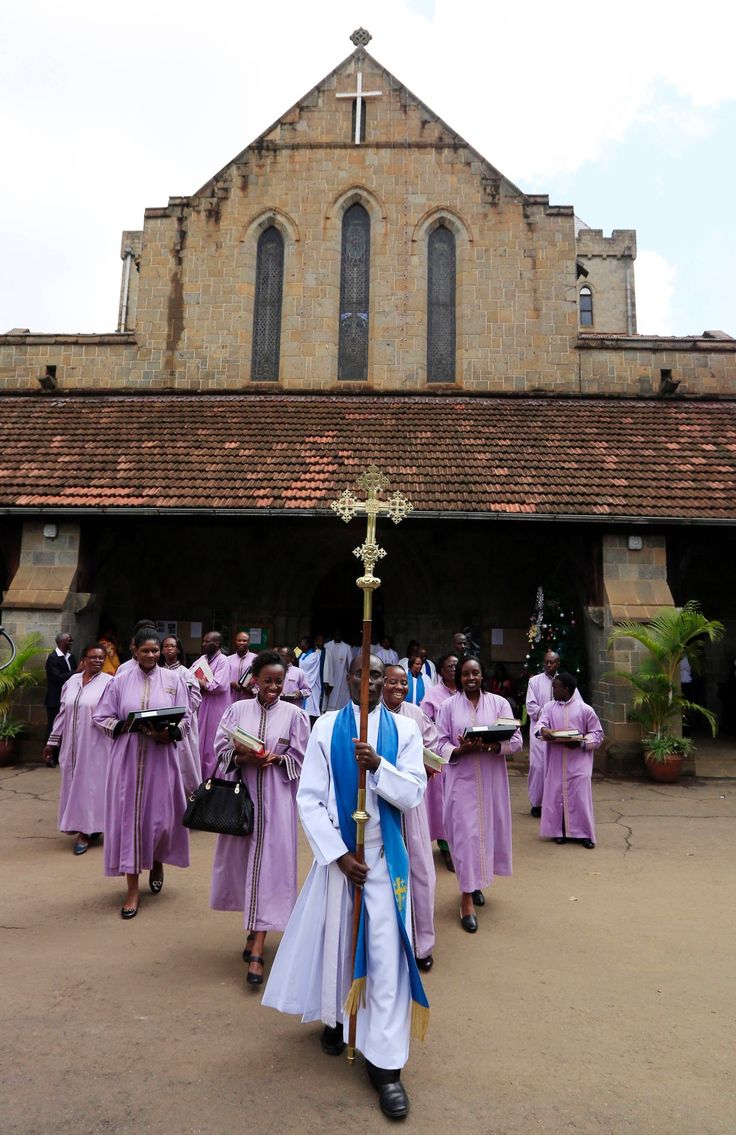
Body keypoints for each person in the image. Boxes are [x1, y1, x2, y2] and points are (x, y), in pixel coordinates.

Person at [263, 654, 428, 1120]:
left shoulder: (406, 731)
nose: (369, 681)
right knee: (335, 944)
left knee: (385, 956)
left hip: (383, 857)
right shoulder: (325, 728)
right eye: (361, 673)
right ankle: (338, 1019)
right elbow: (310, 797)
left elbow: (413, 793)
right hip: (341, 858)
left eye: (377, 674)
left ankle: (387, 1066)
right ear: (348, 678)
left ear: (385, 681)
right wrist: (337, 854)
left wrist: (378, 766)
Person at [210, 650, 310, 986]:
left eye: (279, 681)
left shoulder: (295, 716)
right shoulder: (237, 710)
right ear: (254, 680)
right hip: (244, 803)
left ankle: (258, 949)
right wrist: (242, 757)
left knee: (272, 869)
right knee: (247, 865)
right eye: (267, 680)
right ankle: (254, 928)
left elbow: (303, 757)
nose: (273, 687)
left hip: (279, 805)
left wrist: (279, 760)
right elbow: (220, 748)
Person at [93, 629, 192, 918]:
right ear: (135, 651)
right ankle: (133, 892)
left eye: (155, 651)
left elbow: (186, 717)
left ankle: (157, 858)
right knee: (130, 822)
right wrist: (128, 725)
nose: (151, 655)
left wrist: (171, 731)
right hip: (127, 760)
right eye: (145, 650)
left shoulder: (174, 680)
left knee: (160, 819)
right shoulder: (120, 681)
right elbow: (101, 717)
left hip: (162, 759)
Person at [436, 656, 521, 933]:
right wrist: (460, 750)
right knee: (465, 837)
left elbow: (517, 740)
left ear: (483, 676)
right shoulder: (448, 707)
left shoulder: (499, 703)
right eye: (465, 674)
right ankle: (466, 898)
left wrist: (490, 748)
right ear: (458, 677)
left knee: (485, 833)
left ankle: (476, 885)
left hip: (491, 781)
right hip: (461, 782)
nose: (470, 678)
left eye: (475, 673)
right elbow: (438, 743)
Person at [383, 664, 438, 971]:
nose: (399, 688)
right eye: (393, 682)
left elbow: (433, 745)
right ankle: (388, 945)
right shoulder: (369, 716)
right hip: (381, 805)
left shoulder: (415, 714)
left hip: (412, 807)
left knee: (420, 872)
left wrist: (432, 761)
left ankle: (421, 944)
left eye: (403, 683)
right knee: (384, 874)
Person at [43, 644, 113, 854]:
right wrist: (52, 742)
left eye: (101, 658)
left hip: (96, 745)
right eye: (93, 657)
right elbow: (63, 712)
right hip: (71, 746)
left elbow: (115, 714)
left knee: (90, 787)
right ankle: (79, 824)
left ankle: (87, 832)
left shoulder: (110, 683)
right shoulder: (72, 682)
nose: (98, 661)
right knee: (72, 784)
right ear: (83, 659)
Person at [538, 673, 603, 849]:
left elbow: (597, 734)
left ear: (566, 689)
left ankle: (584, 834)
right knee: (557, 795)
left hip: (579, 762)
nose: (553, 691)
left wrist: (581, 744)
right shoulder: (549, 707)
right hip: (557, 760)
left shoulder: (585, 709)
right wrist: (544, 730)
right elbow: (540, 724)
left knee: (579, 797)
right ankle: (560, 832)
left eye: (556, 687)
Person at [419, 653, 459, 871]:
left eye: (456, 666)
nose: (453, 669)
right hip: (442, 753)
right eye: (448, 666)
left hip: (465, 755)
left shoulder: (466, 690)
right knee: (442, 802)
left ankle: (460, 844)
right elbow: (425, 723)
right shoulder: (432, 694)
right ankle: (446, 847)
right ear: (441, 671)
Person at [160, 634, 202, 793]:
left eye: (172, 646)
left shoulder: (185, 673)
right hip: (162, 721)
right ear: (161, 651)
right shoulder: (159, 672)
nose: (169, 649)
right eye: (166, 646)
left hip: (183, 723)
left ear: (178, 649)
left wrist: (179, 713)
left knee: (184, 758)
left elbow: (196, 698)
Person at [189, 631, 231, 778]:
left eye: (207, 642)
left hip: (216, 707)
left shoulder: (223, 660)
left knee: (212, 743)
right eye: (203, 641)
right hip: (203, 705)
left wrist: (198, 681)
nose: (203, 644)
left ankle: (212, 779)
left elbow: (219, 686)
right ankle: (200, 777)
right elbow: (189, 674)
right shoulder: (203, 658)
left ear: (217, 644)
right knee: (200, 741)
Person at [525, 651, 560, 818]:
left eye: (552, 662)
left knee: (555, 767)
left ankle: (554, 802)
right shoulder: (534, 681)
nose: (548, 665)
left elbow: (577, 704)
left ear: (558, 664)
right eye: (546, 662)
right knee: (538, 766)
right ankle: (536, 802)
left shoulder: (564, 681)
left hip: (559, 732)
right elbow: (531, 705)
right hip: (539, 730)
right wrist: (548, 715)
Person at [44, 632, 77, 746]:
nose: (71, 642)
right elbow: (56, 678)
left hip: (68, 698)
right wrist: (76, 672)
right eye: (69, 640)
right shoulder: (53, 658)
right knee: (53, 727)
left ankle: (60, 755)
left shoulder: (71, 657)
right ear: (61, 642)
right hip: (55, 699)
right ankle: (50, 755)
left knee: (66, 727)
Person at [298, 634, 326, 724]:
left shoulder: (314, 655)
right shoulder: (302, 654)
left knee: (310, 710)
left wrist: (302, 683)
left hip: (311, 684)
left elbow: (308, 671)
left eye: (301, 643)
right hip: (302, 683)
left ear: (307, 644)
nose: (300, 644)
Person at [323, 631, 352, 710]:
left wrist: (350, 676)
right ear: (333, 635)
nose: (337, 636)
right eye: (336, 634)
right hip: (329, 674)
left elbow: (350, 663)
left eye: (339, 634)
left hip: (342, 677)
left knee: (341, 698)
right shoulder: (327, 645)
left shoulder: (347, 647)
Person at [227, 630, 257, 702]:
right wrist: (231, 684)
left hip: (249, 700)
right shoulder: (228, 660)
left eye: (244, 641)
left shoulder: (256, 659)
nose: (241, 643)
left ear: (249, 643)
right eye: (239, 640)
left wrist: (251, 690)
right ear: (235, 642)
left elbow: (260, 681)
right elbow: (223, 679)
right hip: (231, 700)